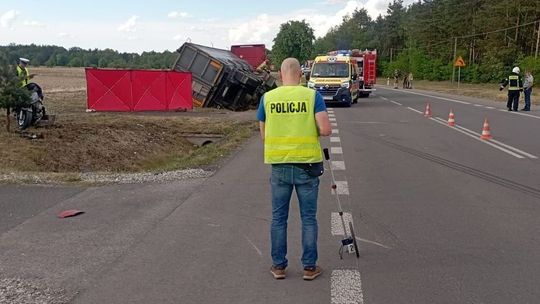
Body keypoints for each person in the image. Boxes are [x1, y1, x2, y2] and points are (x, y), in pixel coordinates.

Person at [257, 57, 331, 281]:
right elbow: (326, 130)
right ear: (301, 75)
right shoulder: (311, 96)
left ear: (280, 75)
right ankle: (309, 267)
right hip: (307, 166)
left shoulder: (267, 98)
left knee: (279, 218)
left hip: (279, 166)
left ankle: (278, 266)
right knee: (308, 218)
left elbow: (263, 135)